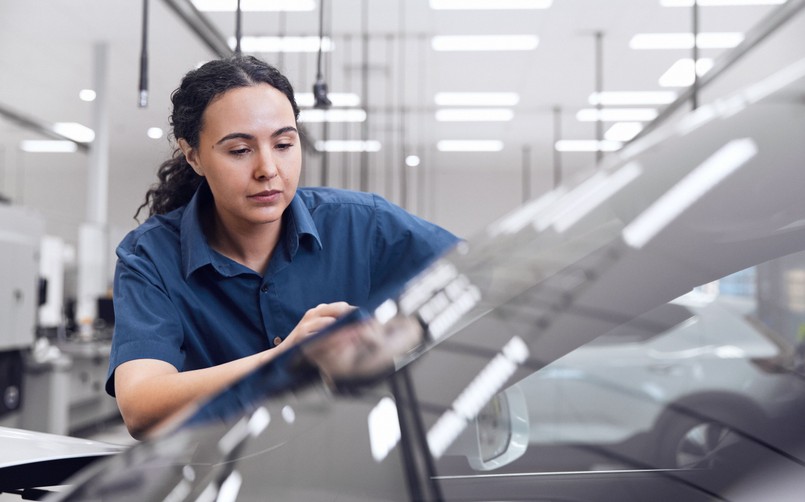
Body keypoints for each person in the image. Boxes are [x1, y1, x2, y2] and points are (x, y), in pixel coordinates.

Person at [106, 55, 459, 439]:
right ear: (193, 156)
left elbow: (486, 286)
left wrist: (400, 333)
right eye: (240, 150)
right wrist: (287, 358)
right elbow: (141, 407)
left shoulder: (364, 224)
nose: (268, 169)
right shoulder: (151, 256)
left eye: (284, 144)